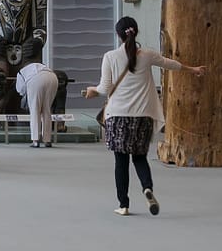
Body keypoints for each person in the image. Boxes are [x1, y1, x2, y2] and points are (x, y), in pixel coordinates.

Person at [82, 17, 204, 216]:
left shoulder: (110, 57)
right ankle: (147, 188)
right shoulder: (147, 55)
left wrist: (91, 90)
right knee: (139, 158)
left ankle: (123, 204)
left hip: (118, 117)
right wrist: (194, 70)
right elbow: (170, 64)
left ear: (118, 35)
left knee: (120, 162)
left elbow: (104, 88)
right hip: (142, 116)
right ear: (135, 32)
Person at [16, 60, 60, 147]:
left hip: (36, 79)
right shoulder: (37, 66)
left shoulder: (20, 73)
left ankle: (35, 140)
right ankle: (47, 140)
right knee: (47, 110)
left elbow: (20, 90)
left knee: (35, 111)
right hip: (53, 77)